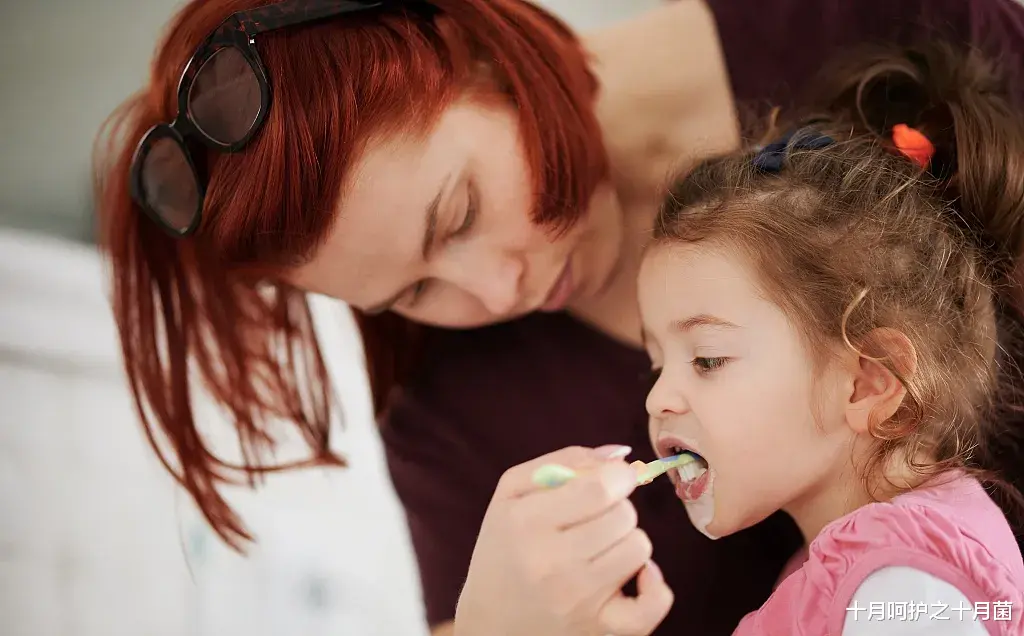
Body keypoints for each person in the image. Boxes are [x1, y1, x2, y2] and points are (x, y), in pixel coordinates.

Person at [90, 0, 1024, 634]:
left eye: (456, 213)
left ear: (497, 52)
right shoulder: (454, 412)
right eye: (411, 294)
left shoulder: (870, 20)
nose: (494, 295)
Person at [635, 42, 1024, 634]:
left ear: (870, 381)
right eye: (656, 364)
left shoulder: (905, 589)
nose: (658, 399)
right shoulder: (848, 572)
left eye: (707, 359)